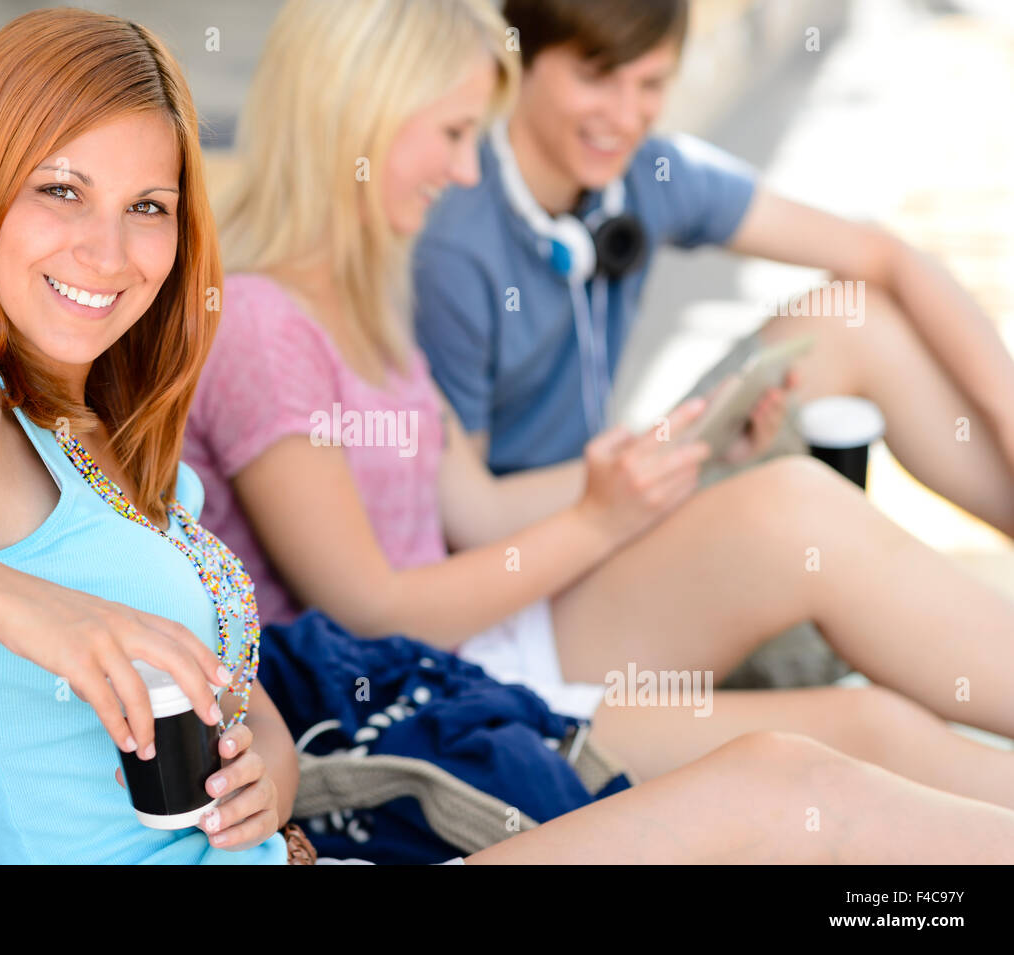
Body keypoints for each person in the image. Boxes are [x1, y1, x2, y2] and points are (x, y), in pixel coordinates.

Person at [0, 3, 1012, 866]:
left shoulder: (93, 427)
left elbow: (236, 678)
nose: (107, 251)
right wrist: (5, 600)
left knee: (831, 766)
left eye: (149, 207)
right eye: (60, 192)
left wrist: (271, 750)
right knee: (797, 787)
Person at [183, 0, 1014, 819]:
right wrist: (596, 524)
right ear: (356, 120)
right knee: (869, 728)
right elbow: (370, 612)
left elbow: (478, 507)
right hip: (421, 694)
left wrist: (696, 456)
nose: (469, 169)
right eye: (453, 134)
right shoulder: (262, 327)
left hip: (488, 641)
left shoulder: (365, 299)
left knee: (798, 512)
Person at [411, 0, 1014, 546]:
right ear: (520, 63)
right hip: (539, 552)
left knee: (857, 317)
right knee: (806, 517)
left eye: (649, 83)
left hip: (622, 486)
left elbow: (887, 256)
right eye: (595, 78)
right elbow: (470, 524)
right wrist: (678, 455)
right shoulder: (456, 246)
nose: (624, 117)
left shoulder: (649, 174)